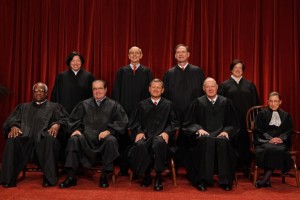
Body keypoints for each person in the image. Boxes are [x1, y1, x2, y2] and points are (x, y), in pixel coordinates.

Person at [58, 80, 128, 189]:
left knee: (111, 140)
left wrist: (109, 131)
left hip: (103, 140)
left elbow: (122, 122)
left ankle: (104, 175)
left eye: (100, 88)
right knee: (74, 140)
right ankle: (71, 177)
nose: (97, 91)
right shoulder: (84, 104)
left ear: (105, 90)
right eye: (95, 89)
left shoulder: (114, 105)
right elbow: (73, 120)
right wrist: (77, 130)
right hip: (86, 139)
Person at [0, 82, 69, 188]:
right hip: (25, 139)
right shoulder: (23, 107)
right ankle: (8, 179)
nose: (38, 93)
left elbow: (65, 120)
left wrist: (57, 124)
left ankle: (49, 178)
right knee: (12, 139)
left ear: (46, 93)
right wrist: (14, 126)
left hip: (44, 138)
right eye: (35, 91)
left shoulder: (55, 107)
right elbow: (12, 120)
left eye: (41, 90)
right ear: (32, 93)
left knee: (50, 139)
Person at [183, 77, 239, 191]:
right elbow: (188, 123)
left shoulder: (226, 102)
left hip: (221, 136)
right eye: (207, 87)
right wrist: (198, 129)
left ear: (217, 87)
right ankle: (203, 180)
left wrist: (226, 131)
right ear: (203, 89)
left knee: (223, 142)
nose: (210, 89)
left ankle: (226, 181)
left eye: (212, 86)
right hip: (204, 137)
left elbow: (234, 123)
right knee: (206, 141)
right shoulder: (198, 102)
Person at [129, 78, 180, 191]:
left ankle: (158, 177)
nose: (156, 90)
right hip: (146, 136)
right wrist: (139, 132)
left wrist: (167, 132)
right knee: (140, 145)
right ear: (149, 89)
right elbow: (134, 122)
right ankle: (146, 175)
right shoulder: (141, 105)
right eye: (153, 87)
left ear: (162, 90)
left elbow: (174, 123)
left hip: (161, 137)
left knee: (159, 143)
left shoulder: (169, 105)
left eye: (158, 88)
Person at [112, 46, 153, 176]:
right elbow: (117, 92)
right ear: (129, 56)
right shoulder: (122, 71)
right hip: (124, 111)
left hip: (141, 113)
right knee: (124, 141)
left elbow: (151, 92)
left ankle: (138, 169)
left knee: (139, 139)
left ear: (141, 55)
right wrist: (118, 110)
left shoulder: (147, 71)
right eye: (132, 53)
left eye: (137, 53)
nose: (134, 55)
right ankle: (124, 168)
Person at [163, 44, 205, 168]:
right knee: (176, 137)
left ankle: (193, 165)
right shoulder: (169, 73)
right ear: (175, 56)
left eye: (183, 52)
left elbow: (203, 92)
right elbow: (164, 94)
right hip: (175, 111)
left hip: (193, 111)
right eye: (178, 52)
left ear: (188, 54)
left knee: (192, 137)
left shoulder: (197, 71)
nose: (181, 54)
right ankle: (175, 163)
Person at [218, 59, 260, 177]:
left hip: (246, 121)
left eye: (240, 68)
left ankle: (245, 166)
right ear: (231, 69)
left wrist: (254, 121)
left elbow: (255, 104)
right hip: (230, 120)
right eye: (235, 67)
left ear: (243, 70)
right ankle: (231, 166)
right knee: (231, 141)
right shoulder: (224, 85)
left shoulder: (250, 85)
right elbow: (221, 104)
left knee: (245, 142)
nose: (238, 70)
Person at [253, 92, 293, 188]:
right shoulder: (262, 114)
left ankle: (265, 180)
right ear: (268, 102)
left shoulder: (285, 115)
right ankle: (266, 180)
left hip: (280, 142)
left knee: (277, 149)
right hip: (265, 141)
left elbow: (289, 130)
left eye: (276, 101)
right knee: (269, 149)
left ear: (280, 102)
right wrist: (270, 139)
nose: (273, 104)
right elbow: (258, 129)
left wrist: (280, 139)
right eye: (271, 101)